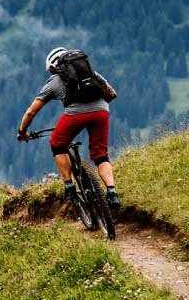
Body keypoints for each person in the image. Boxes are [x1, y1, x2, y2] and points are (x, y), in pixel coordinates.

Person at [17, 47, 121, 209]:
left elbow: (31, 112)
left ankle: (69, 186)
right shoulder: (91, 73)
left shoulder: (54, 81)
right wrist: (95, 107)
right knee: (101, 155)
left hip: (75, 114)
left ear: (53, 66)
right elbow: (112, 93)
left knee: (57, 144)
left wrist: (22, 132)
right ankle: (112, 192)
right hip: (101, 111)